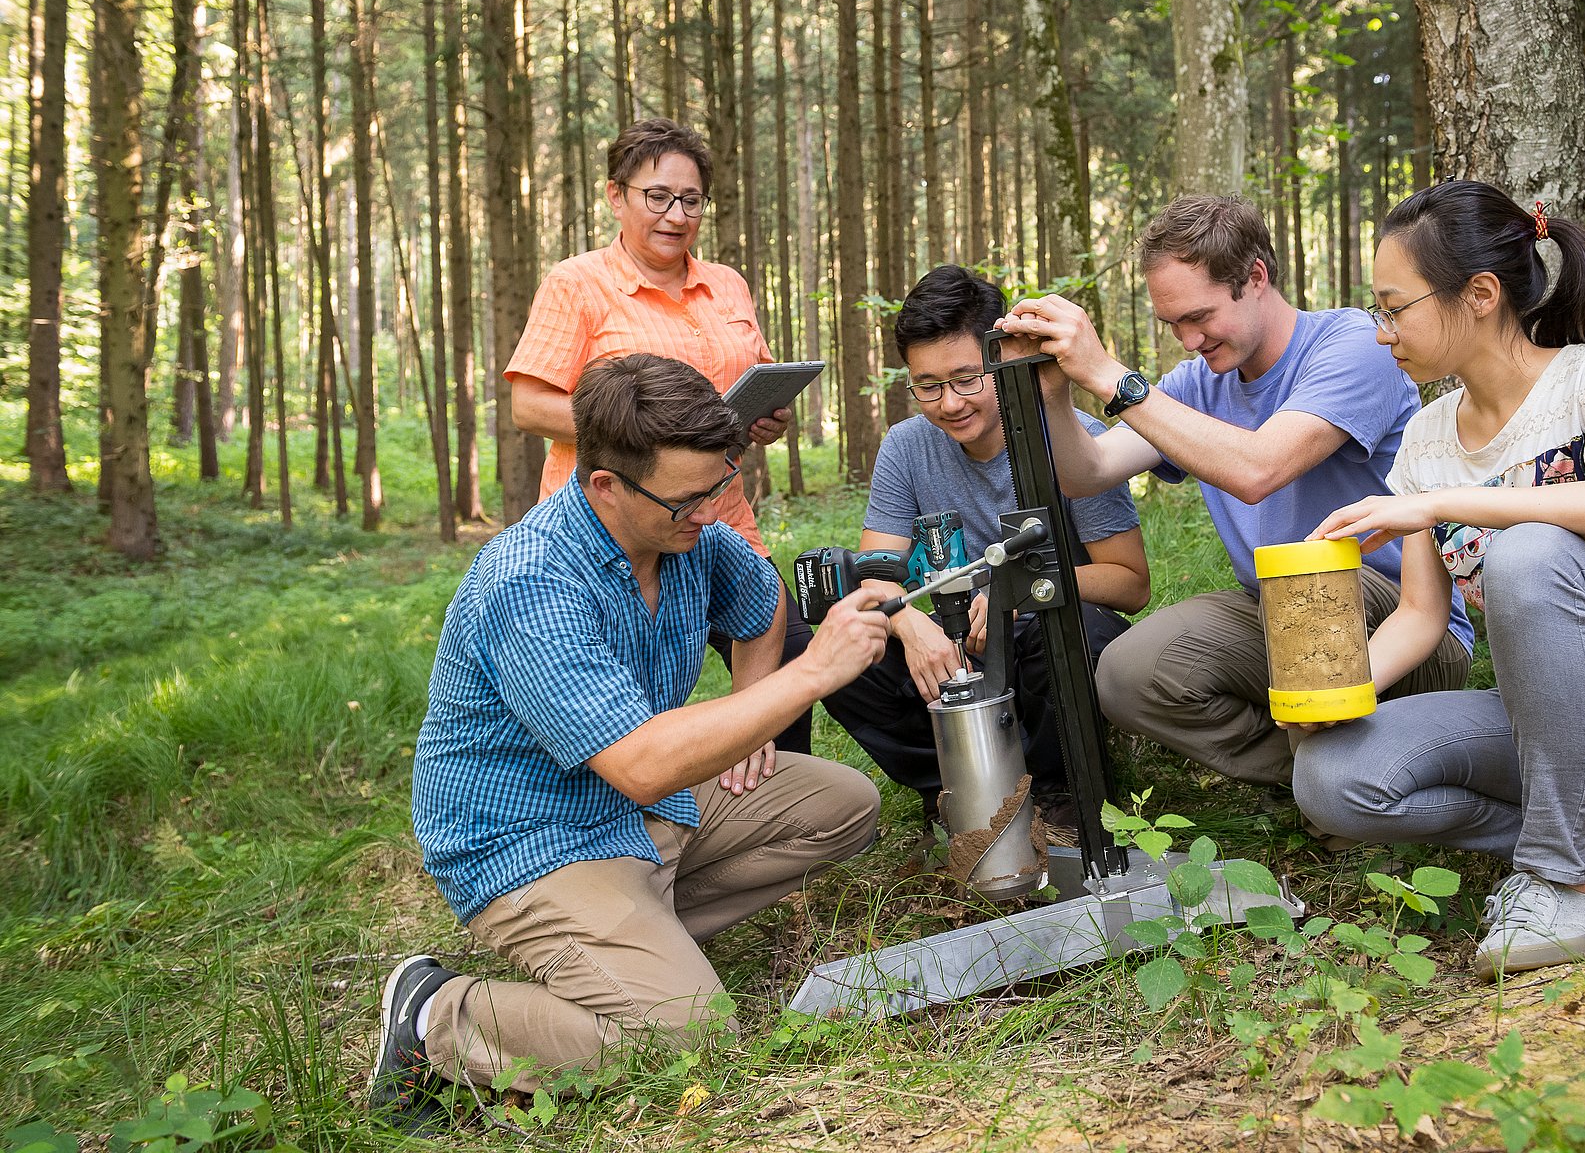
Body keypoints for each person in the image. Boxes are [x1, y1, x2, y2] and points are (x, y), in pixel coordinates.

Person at [370, 354, 891, 1124]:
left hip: (641, 812)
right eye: (688, 497)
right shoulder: (532, 581)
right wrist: (808, 676)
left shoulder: (689, 536)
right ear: (605, 486)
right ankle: (439, 1014)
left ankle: (633, 938)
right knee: (695, 1038)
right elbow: (643, 766)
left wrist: (752, 704)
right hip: (533, 837)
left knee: (843, 804)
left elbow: (761, 598)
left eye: (720, 485)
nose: (710, 511)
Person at [1288, 181, 1585, 979]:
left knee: (1528, 549)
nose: (1381, 331)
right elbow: (1422, 616)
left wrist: (1444, 503)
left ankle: (1556, 881)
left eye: (1395, 308)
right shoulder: (1428, 438)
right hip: (1547, 725)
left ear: (1479, 294)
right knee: (1331, 778)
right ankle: (1571, 833)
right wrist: (1326, 694)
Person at [994, 195, 1473, 801]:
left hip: (1404, 623)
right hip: (1278, 606)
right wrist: (1055, 392)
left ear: (1255, 277)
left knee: (1304, 587)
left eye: (1199, 316)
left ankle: (1353, 777)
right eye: (1172, 324)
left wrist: (1109, 374)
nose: (1188, 340)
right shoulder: (1199, 383)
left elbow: (1258, 469)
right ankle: (1323, 772)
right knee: (1128, 673)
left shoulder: (1355, 346)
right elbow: (1088, 471)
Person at [505, 117, 817, 754]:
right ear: (617, 197)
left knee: (780, 655)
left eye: (691, 200)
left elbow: (742, 390)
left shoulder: (727, 284)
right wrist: (643, 441)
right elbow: (530, 404)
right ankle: (628, 823)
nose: (676, 214)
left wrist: (768, 419)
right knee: (624, 692)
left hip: (719, 515)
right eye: (657, 197)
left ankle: (779, 807)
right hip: (612, 522)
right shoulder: (578, 284)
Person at [825, 266, 1151, 831]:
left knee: (1079, 632)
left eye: (968, 379)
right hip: (960, 650)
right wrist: (906, 624)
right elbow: (876, 576)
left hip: (1042, 641)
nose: (949, 403)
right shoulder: (906, 447)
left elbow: (1129, 583)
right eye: (928, 386)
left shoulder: (1076, 441)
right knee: (841, 643)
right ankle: (955, 784)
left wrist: (1018, 591)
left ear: (1000, 359)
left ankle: (1057, 795)